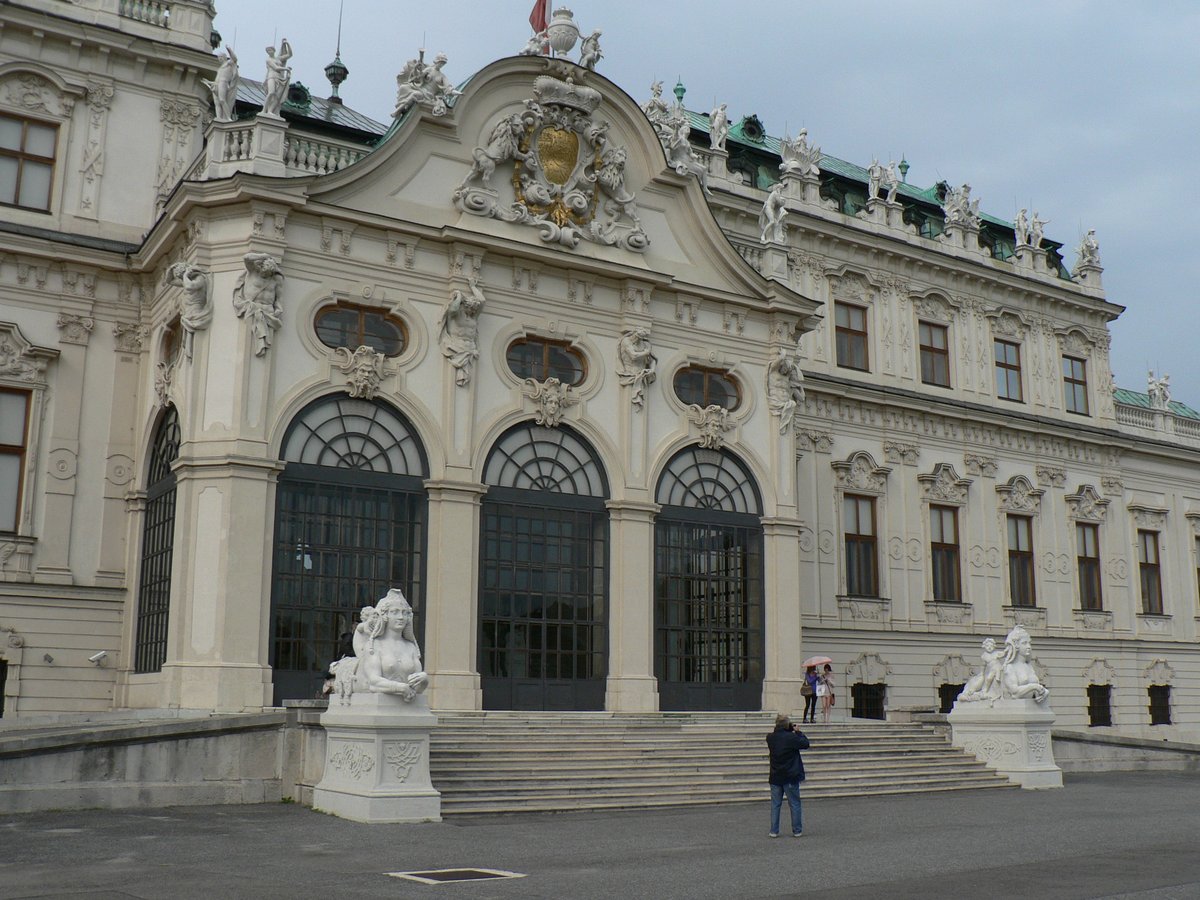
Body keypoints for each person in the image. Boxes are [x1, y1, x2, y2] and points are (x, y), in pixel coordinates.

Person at [766, 713, 810, 838]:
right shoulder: (791, 738)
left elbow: (779, 735)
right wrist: (798, 732)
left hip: (775, 775)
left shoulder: (770, 737)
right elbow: (805, 744)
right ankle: (797, 830)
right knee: (794, 803)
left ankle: (774, 830)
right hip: (790, 774)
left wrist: (787, 729)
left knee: (775, 804)